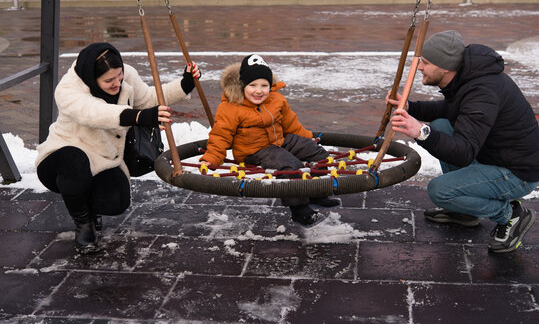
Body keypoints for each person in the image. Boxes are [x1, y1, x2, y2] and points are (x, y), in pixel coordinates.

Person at [35, 42, 200, 254]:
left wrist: (185, 83)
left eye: (119, 76)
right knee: (74, 163)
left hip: (104, 156)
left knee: (116, 201)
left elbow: (148, 98)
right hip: (63, 154)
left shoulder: (126, 75)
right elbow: (96, 113)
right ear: (91, 78)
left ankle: (92, 206)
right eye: (108, 80)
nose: (117, 83)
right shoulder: (68, 89)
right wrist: (138, 116)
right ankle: (84, 224)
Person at [387, 30, 539, 253]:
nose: (420, 67)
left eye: (426, 62)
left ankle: (511, 215)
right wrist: (412, 107)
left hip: (518, 173)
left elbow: (464, 152)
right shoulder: (469, 78)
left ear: (445, 67)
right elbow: (450, 109)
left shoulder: (483, 92)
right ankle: (465, 211)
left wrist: (421, 132)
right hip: (496, 156)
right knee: (441, 126)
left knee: (440, 190)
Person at [199, 54, 340, 227]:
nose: (259, 91)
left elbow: (291, 124)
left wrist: (306, 137)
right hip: (254, 150)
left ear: (270, 85)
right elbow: (220, 135)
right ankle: (299, 209)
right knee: (290, 165)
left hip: (279, 141)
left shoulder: (276, 99)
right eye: (253, 85)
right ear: (243, 85)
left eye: (264, 85)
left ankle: (316, 192)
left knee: (318, 153)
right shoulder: (231, 107)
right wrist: (212, 157)